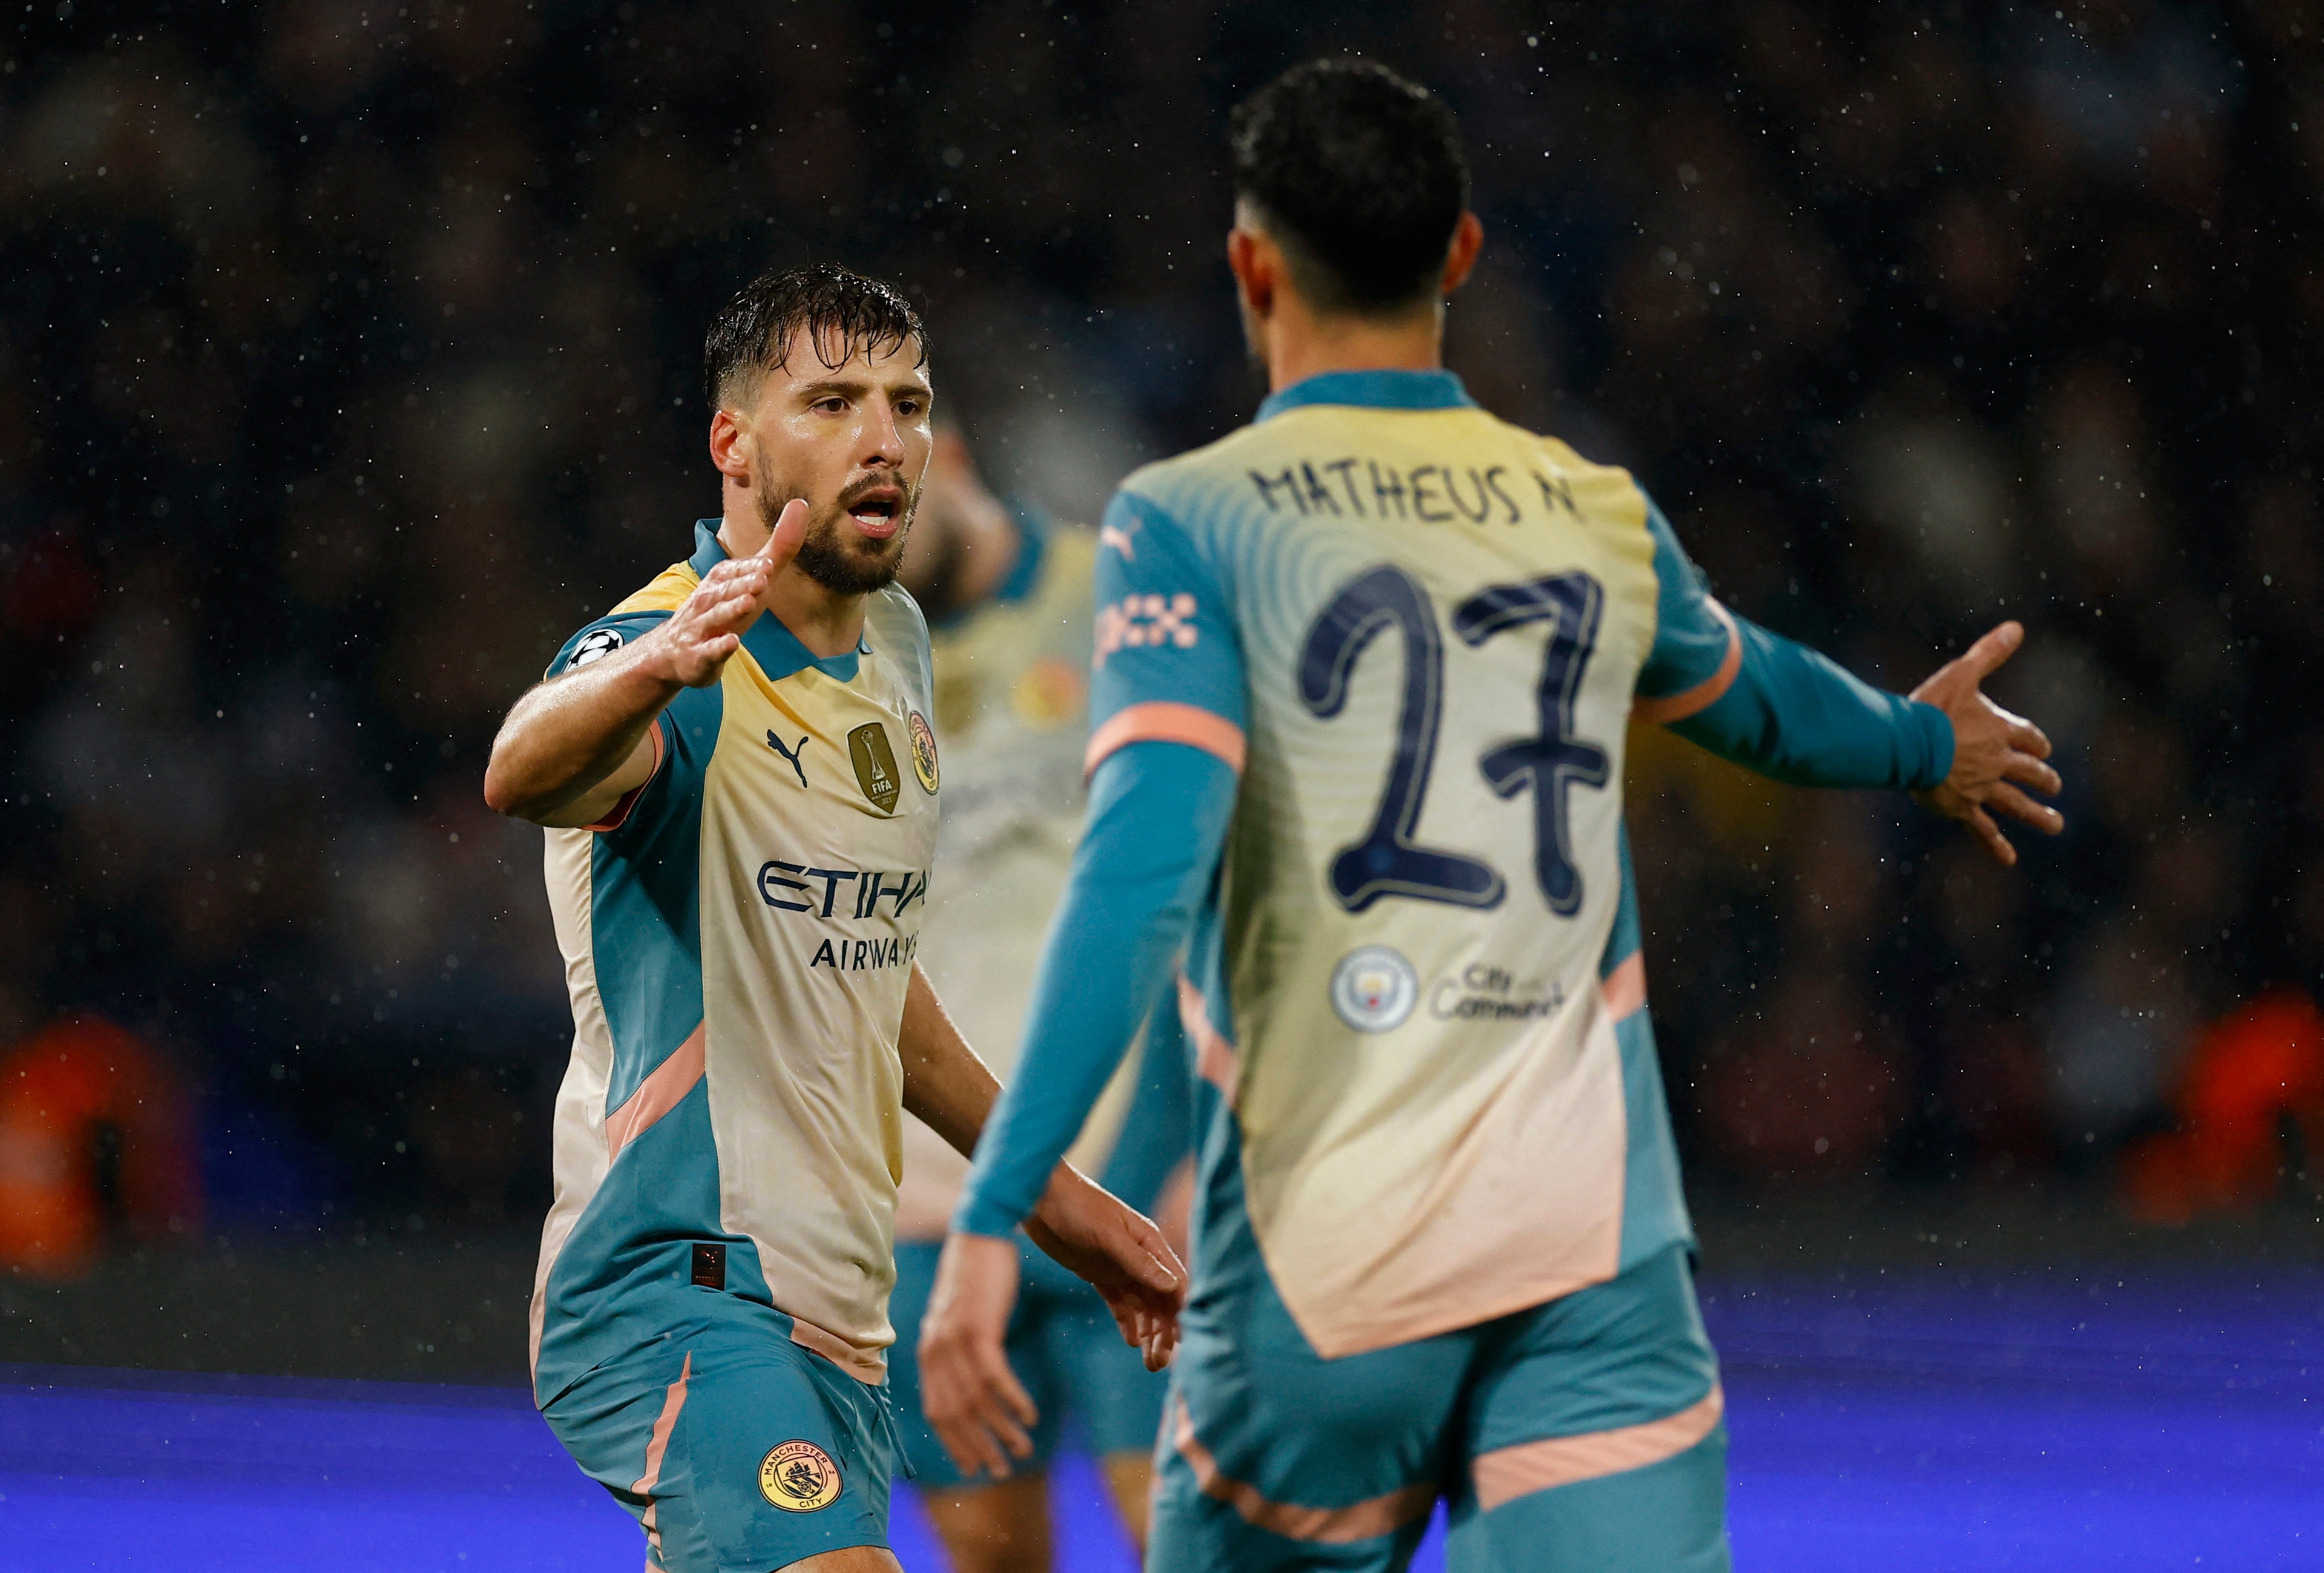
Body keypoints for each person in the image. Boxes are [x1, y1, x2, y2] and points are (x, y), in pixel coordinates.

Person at [916, 61, 2063, 1573]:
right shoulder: (1588, 509)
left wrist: (999, 1213)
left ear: (1252, 269)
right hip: (1584, 1267)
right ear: (1459, 258)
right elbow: (1753, 691)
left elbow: (1137, 878)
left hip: (1326, 1267)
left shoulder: (1191, 522)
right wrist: (1923, 741)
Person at [481, 263, 1183, 1573]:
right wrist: (651, 668)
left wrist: (1058, 1204)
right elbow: (524, 766)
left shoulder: (896, 648)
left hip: (837, 1308)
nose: (884, 438)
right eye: (832, 401)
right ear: (733, 446)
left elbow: (883, 995)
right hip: (678, 1289)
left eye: (907, 404)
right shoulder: (668, 657)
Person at [888, 427, 1193, 1570]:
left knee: (1189, 1544)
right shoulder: (836, 653)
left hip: (1127, 1177)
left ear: (950, 453)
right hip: (920, 1209)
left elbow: (1209, 884)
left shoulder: (1120, 598)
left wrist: (1199, 1143)